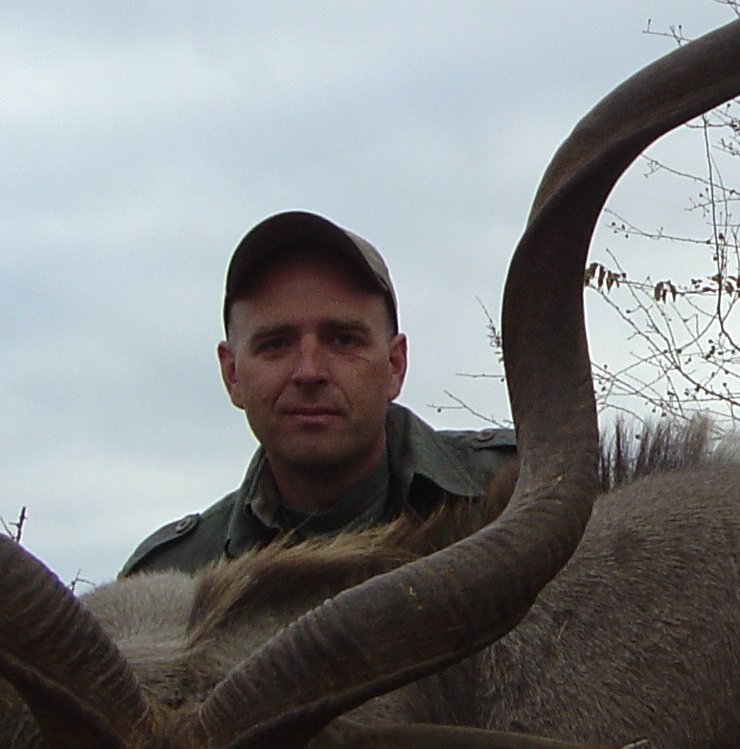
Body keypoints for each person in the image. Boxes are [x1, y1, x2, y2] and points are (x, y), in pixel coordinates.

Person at [120, 211, 516, 577]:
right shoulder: (171, 582)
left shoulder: (529, 492)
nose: (309, 372)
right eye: (275, 345)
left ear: (395, 365)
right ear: (232, 375)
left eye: (343, 340)